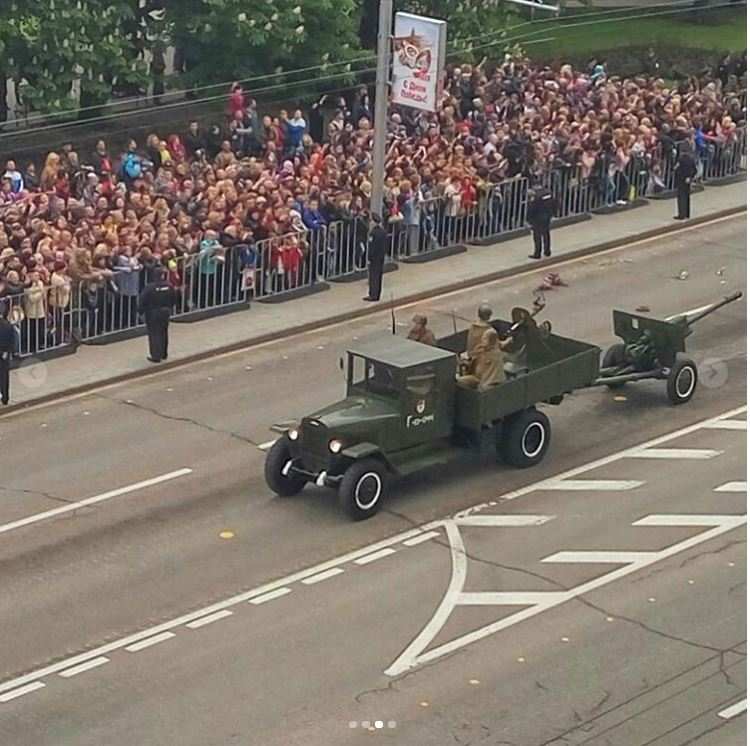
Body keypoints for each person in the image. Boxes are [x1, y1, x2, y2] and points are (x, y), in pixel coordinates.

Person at [138, 266, 178, 363]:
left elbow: (142, 300)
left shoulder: (150, 287)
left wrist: (140, 311)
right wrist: (169, 307)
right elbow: (174, 298)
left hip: (153, 312)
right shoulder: (169, 286)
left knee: (154, 334)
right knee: (163, 332)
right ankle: (163, 353)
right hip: (165, 311)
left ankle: (156, 356)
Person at [527, 185, 556, 259]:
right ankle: (547, 251)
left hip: (538, 217)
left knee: (537, 236)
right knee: (546, 233)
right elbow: (554, 203)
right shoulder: (548, 192)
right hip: (547, 215)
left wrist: (529, 219)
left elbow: (532, 208)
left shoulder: (536, 196)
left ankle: (537, 253)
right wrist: (553, 213)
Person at [364, 213, 387, 302]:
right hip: (381, 257)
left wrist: (369, 257)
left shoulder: (373, 233)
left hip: (374, 258)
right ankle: (377, 294)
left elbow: (372, 246)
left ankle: (373, 294)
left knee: (373, 276)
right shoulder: (383, 232)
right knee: (379, 276)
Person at [674, 143, 697, 221]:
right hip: (688, 180)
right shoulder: (691, 159)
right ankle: (687, 213)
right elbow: (695, 170)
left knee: (681, 197)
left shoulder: (680, 160)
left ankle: (681, 214)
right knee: (687, 197)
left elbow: (676, 168)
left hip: (681, 179)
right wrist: (690, 177)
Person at [0, 302, 17, 405]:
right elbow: (12, 341)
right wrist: (7, 352)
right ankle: (5, 397)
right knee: (4, 377)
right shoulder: (8, 326)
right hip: (4, 356)